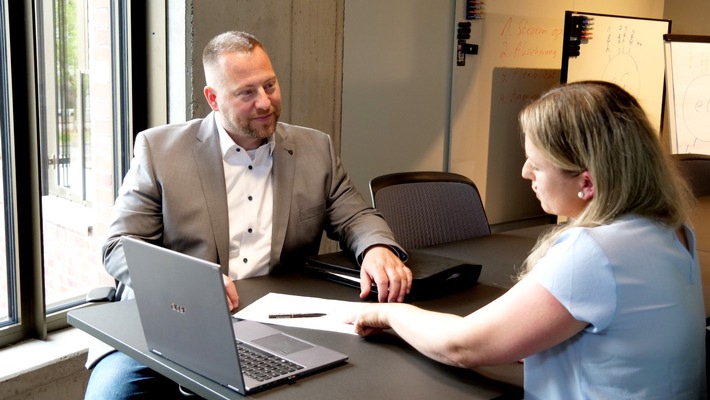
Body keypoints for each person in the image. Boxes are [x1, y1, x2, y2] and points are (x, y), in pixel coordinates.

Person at [84, 30, 412, 398]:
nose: (265, 103)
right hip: (174, 320)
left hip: (278, 326)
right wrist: (195, 283)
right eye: (246, 92)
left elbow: (354, 216)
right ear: (213, 98)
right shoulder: (160, 150)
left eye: (270, 85)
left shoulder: (314, 148)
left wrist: (376, 248)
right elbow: (118, 246)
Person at [350, 81, 706, 399]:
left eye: (537, 164)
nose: (525, 173)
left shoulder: (595, 252)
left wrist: (387, 312)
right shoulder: (673, 231)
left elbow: (461, 346)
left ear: (586, 182)